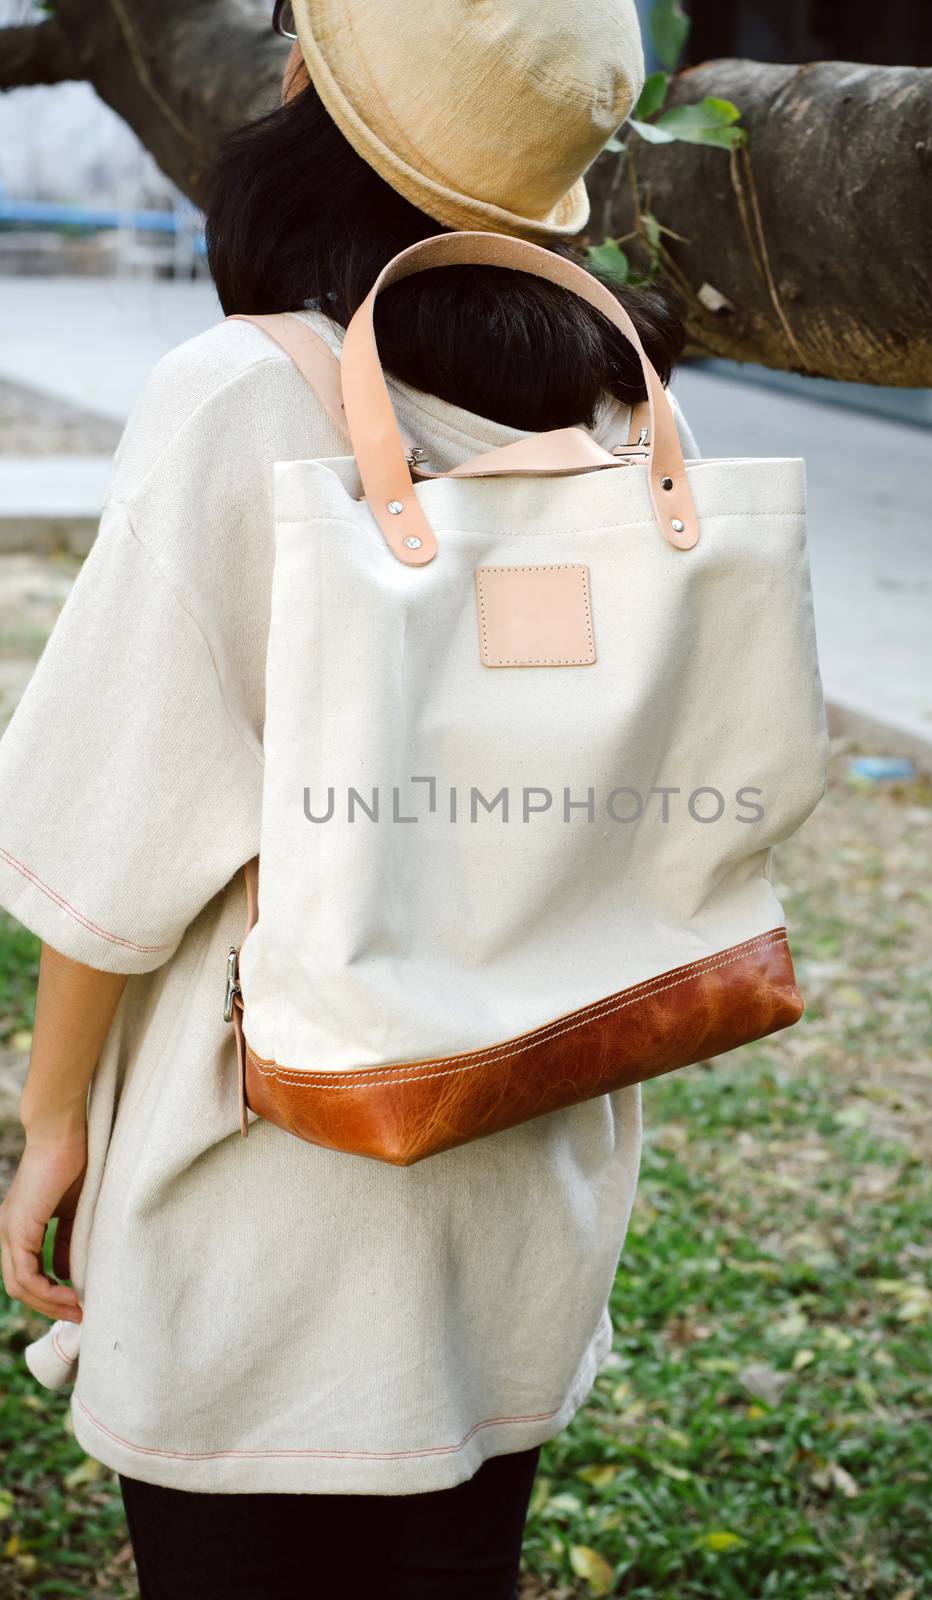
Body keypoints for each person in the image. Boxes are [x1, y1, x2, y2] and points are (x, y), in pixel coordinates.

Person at [0, 1, 700, 1594]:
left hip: (282, 1185)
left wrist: (51, 1123)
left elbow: (119, 822)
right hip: (526, 1145)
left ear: (314, 89)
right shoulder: (631, 417)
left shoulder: (244, 397)